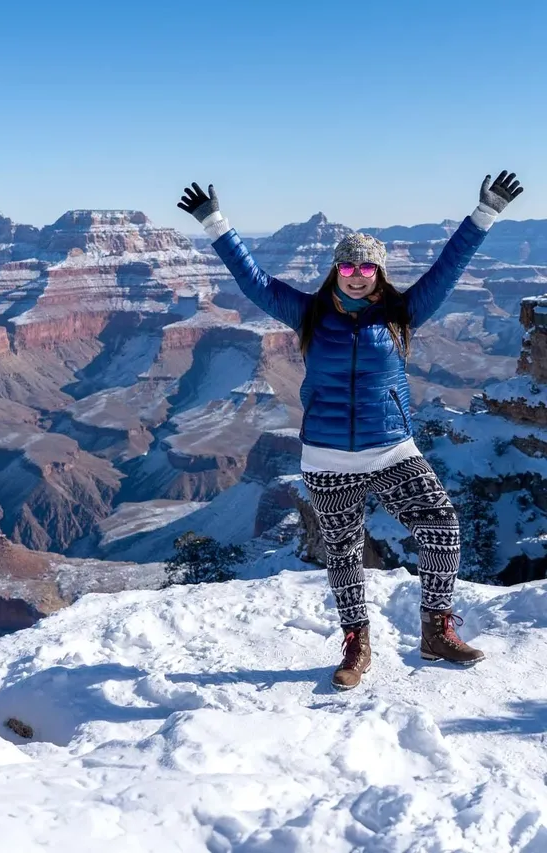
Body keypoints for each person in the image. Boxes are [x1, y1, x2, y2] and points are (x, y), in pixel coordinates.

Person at [177, 171, 524, 690]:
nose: (357, 274)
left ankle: (436, 630)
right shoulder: (309, 313)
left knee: (443, 529)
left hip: (392, 451)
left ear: (379, 274)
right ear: (336, 270)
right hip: (327, 459)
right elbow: (255, 283)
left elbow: (449, 268)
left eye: (366, 266)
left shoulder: (402, 312)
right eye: (348, 265)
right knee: (343, 554)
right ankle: (356, 644)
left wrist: (485, 214)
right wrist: (215, 223)